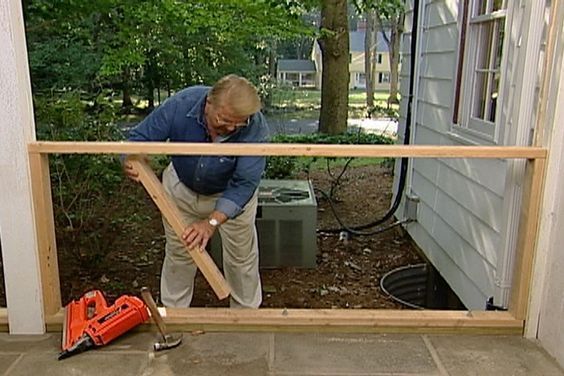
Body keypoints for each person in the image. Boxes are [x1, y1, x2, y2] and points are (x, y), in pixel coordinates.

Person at [123, 74, 269, 309]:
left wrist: (211, 223)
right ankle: (175, 313)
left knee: (242, 260)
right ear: (208, 102)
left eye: (238, 123)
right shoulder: (182, 104)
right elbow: (138, 138)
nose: (231, 127)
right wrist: (131, 160)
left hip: (231, 197)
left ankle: (246, 317)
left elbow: (244, 184)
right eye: (224, 119)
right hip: (181, 190)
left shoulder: (255, 126)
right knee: (180, 254)